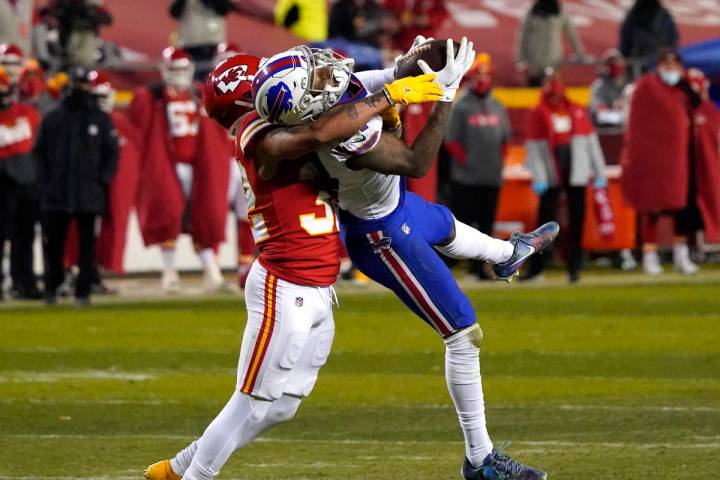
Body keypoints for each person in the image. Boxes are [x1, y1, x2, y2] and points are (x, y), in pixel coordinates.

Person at [253, 39, 555, 479]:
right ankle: (480, 460)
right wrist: (445, 95)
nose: (326, 70)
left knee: (446, 226)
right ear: (307, 103)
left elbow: (391, 78)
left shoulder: (332, 99)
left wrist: (419, 62)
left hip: (397, 209)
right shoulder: (341, 136)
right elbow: (416, 162)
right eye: (314, 75)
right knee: (463, 333)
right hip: (383, 236)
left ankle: (508, 255)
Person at [143, 53, 443, 480]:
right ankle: (194, 477)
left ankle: (178, 468)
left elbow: (339, 94)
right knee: (252, 399)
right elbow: (315, 133)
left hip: (317, 284)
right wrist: (388, 94)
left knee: (283, 406)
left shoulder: (288, 121)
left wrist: (399, 69)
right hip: (284, 284)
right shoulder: (256, 132)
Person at [129, 47, 234, 293]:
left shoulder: (199, 94)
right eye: (174, 69)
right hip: (168, 163)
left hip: (198, 165)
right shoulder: (153, 97)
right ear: (164, 70)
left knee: (205, 216)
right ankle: (169, 272)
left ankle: (212, 272)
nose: (179, 74)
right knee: (169, 214)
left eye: (183, 69)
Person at [622, 50, 719, 274]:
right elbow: (639, 123)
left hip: (681, 159)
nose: (670, 68)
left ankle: (681, 255)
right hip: (654, 159)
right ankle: (650, 255)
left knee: (682, 209)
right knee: (652, 209)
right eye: (666, 62)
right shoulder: (647, 87)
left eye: (674, 63)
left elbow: (700, 114)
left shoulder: (684, 89)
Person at [33, 66, 118, 305]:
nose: (80, 89)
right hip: (57, 192)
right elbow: (39, 153)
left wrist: (102, 180)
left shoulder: (100, 119)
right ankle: (53, 287)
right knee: (53, 245)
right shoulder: (53, 118)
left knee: (86, 247)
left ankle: (83, 290)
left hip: (88, 192)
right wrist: (46, 183)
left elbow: (111, 154)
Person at [523, 70, 607, 283]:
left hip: (576, 172)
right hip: (552, 173)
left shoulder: (577, 111)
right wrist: (539, 176)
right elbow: (534, 149)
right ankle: (536, 269)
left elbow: (591, 144)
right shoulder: (538, 113)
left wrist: (599, 172)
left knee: (577, 220)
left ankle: (575, 267)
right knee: (544, 223)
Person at [444, 52, 511, 279]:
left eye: (486, 74)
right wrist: (468, 163)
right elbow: (451, 141)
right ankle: (457, 266)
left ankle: (481, 268)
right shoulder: (461, 106)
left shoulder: (498, 105)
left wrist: (498, 164)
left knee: (487, 223)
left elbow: (505, 140)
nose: (482, 79)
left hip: (491, 176)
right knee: (464, 223)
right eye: (478, 74)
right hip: (466, 178)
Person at [0, 64, 42, 301]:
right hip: (6, 184)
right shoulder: (28, 113)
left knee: (24, 237)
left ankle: (24, 282)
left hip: (25, 184)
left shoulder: (28, 112)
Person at [515, 0, 586, 86]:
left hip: (553, 60)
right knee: (535, 92)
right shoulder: (532, 12)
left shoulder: (560, 11)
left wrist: (579, 52)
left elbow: (571, 33)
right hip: (534, 62)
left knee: (553, 91)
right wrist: (521, 61)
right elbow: (523, 37)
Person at [169, 0, 235, 79]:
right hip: (189, 46)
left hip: (213, 46)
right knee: (189, 80)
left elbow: (224, 9)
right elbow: (174, 12)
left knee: (214, 79)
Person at [39, 0, 112, 69]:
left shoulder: (93, 6)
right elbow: (46, 12)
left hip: (87, 38)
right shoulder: (66, 3)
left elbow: (108, 20)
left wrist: (92, 14)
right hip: (67, 39)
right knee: (70, 56)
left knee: (86, 59)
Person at [619, 0, 678, 78]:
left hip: (639, 65)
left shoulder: (633, 15)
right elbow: (672, 42)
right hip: (652, 66)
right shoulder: (664, 16)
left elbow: (624, 42)